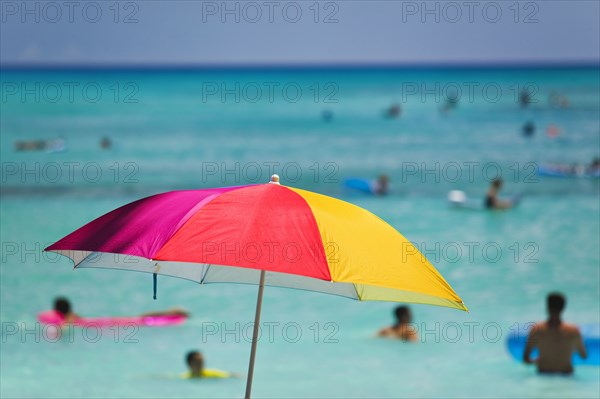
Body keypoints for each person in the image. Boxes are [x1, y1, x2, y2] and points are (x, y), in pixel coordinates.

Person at [524, 293, 587, 374]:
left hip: (544, 375)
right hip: (566, 376)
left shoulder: (536, 330)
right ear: (563, 308)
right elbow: (583, 356)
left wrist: (537, 360)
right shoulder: (573, 331)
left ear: (547, 307)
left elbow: (526, 359)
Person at [51, 297, 189, 324]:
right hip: (103, 321)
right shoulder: (72, 315)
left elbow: (66, 325)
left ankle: (171, 312)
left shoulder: (68, 318)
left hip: (104, 323)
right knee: (141, 318)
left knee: (141, 319)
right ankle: (170, 312)